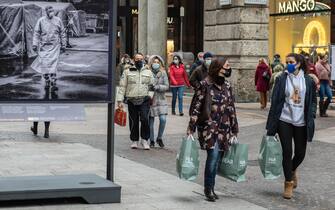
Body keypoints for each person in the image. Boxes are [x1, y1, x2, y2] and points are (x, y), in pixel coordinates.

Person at [266, 53, 317, 200]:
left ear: (299, 63)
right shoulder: (281, 79)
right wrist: (271, 124)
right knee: (287, 152)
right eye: (286, 61)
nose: (288, 63)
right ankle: (288, 182)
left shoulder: (308, 80)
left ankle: (293, 169)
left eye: (291, 62)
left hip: (301, 121)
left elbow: (313, 100)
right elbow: (275, 100)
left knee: (300, 153)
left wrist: (312, 114)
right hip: (285, 119)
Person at [187, 57, 238, 202]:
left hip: (224, 127)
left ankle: (212, 187)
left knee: (218, 159)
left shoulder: (227, 85)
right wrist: (191, 127)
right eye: (227, 66)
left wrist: (235, 127)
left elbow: (231, 107)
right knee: (213, 157)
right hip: (209, 127)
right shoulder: (205, 85)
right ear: (218, 68)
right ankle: (208, 189)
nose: (229, 69)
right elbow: (196, 107)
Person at [117, 53, 155, 150]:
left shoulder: (148, 72)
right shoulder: (127, 71)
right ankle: (134, 140)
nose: (139, 60)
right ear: (134, 60)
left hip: (144, 99)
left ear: (143, 60)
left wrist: (150, 96)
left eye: (141, 59)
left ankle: (145, 139)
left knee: (145, 119)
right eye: (137, 59)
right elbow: (122, 86)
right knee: (133, 120)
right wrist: (119, 100)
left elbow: (152, 86)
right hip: (131, 99)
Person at [31, 6, 66, 93]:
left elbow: (62, 33)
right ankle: (47, 81)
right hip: (44, 47)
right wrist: (35, 44)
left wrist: (64, 44)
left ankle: (53, 83)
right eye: (49, 11)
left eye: (52, 10)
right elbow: (36, 33)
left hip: (55, 46)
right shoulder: (41, 20)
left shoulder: (58, 20)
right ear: (46, 11)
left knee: (53, 65)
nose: (51, 12)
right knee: (44, 65)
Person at [148, 55, 169, 148]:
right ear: (151, 63)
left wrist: (158, 87)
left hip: (161, 99)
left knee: (163, 119)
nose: (156, 63)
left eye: (157, 62)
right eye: (154, 62)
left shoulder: (163, 73)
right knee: (150, 122)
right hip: (151, 99)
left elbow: (167, 86)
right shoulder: (147, 72)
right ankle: (151, 140)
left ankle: (159, 138)